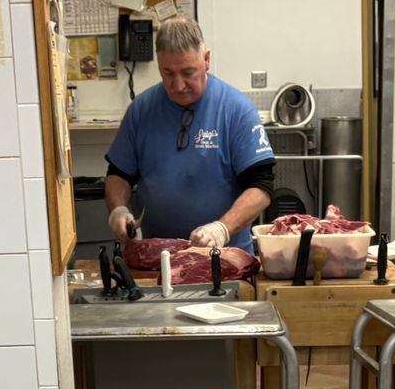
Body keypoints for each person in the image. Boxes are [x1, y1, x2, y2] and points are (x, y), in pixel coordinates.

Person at [104, 16, 276, 254]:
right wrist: (118, 209)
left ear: (206, 60)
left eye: (188, 72)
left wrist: (222, 228)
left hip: (224, 258)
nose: (178, 84)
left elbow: (261, 186)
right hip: (159, 258)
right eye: (168, 73)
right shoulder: (141, 110)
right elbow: (118, 174)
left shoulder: (236, 110)